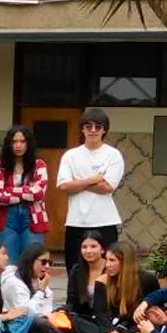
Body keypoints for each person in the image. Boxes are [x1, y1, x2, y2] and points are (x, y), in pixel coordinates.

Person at [57, 107, 126, 261]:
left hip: (105, 221)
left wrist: (77, 183)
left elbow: (107, 187)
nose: (93, 130)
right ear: (82, 129)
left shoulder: (113, 155)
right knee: (75, 269)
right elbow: (63, 186)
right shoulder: (71, 156)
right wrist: (93, 179)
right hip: (76, 221)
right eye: (88, 126)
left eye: (98, 127)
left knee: (107, 271)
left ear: (104, 130)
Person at [0, 126, 47, 262]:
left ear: (29, 144)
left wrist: (10, 190)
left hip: (32, 217)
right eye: (14, 141)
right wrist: (27, 190)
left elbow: (38, 194)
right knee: (7, 264)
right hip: (6, 217)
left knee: (34, 263)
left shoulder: (39, 164)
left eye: (22, 141)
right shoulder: (0, 165)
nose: (18, 145)